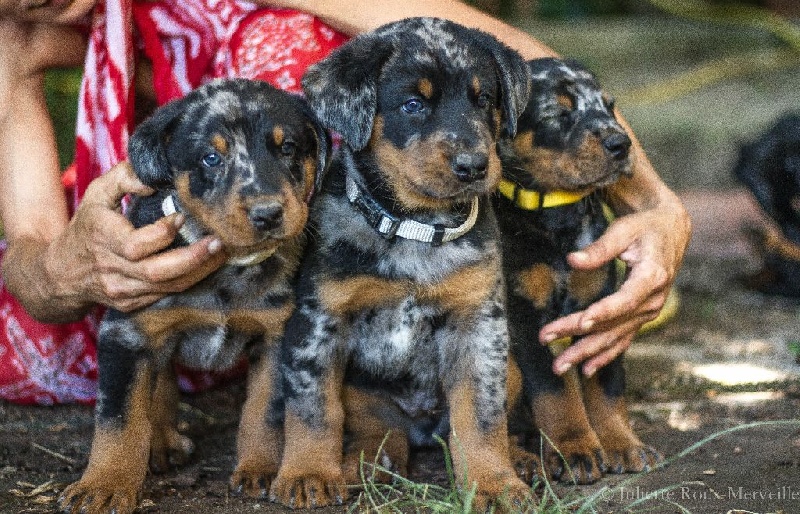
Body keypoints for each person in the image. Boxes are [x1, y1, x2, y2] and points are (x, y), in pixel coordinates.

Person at [0, 0, 691, 405]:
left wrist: (656, 206)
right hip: (199, 225)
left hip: (340, 224)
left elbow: (466, 41)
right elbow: (33, 243)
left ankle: (344, 327)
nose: (31, 3)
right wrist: (57, 273)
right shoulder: (18, 22)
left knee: (279, 51)